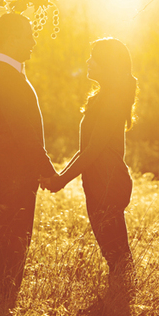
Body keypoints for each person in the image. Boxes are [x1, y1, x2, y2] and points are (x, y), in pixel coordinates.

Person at [41, 37, 136, 301]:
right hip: (99, 183)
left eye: (93, 57)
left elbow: (92, 152)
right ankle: (118, 304)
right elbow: (85, 152)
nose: (87, 61)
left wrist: (60, 180)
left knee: (117, 256)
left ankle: (121, 307)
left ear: (107, 64)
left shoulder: (113, 100)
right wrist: (59, 176)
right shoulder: (103, 97)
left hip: (109, 184)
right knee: (114, 254)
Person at [0, 13, 57, 311]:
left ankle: (1, 308)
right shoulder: (5, 76)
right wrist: (49, 173)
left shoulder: (5, 72)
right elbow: (24, 135)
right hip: (10, 174)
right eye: (28, 35)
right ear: (12, 39)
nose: (33, 41)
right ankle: (2, 309)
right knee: (13, 245)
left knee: (11, 243)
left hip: (12, 173)